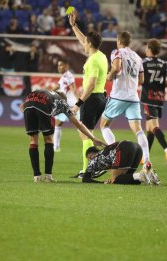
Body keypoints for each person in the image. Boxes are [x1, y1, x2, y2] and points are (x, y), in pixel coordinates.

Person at [20, 90, 106, 182]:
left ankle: (36, 176)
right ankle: (48, 177)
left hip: (28, 104)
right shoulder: (62, 102)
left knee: (33, 140)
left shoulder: (48, 94)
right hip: (43, 105)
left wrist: (33, 117)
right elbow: (78, 124)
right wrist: (93, 138)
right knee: (48, 140)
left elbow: (22, 106)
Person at [99, 31, 152, 171]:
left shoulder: (116, 52)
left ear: (118, 40)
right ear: (129, 42)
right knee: (138, 130)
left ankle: (114, 153)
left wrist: (109, 76)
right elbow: (142, 80)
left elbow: (116, 68)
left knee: (104, 125)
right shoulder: (138, 57)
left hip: (118, 95)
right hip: (133, 97)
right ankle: (146, 160)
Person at [68, 12, 108, 178]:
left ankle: (88, 170)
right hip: (100, 98)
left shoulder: (92, 61)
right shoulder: (101, 56)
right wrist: (73, 26)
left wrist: (78, 103)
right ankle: (90, 168)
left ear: (90, 44)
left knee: (85, 135)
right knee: (87, 135)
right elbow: (83, 39)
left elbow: (90, 85)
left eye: (86, 43)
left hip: (91, 99)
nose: (83, 44)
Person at [141, 38, 167, 166]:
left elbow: (140, 78)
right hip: (159, 97)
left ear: (150, 49)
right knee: (149, 129)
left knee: (153, 126)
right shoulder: (165, 63)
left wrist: (145, 83)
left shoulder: (143, 62)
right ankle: (145, 157)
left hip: (147, 97)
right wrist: (162, 85)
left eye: (146, 48)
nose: (145, 50)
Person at [82, 140, 160, 185]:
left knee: (115, 180)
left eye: (90, 157)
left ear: (94, 154)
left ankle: (142, 175)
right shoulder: (104, 152)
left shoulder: (95, 159)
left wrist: (103, 182)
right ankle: (150, 176)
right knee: (127, 178)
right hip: (137, 148)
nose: (90, 160)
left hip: (124, 148)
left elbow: (85, 179)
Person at [52, 58, 79, 152]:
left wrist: (79, 102)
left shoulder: (68, 76)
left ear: (66, 66)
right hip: (65, 103)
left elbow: (73, 89)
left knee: (79, 126)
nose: (59, 67)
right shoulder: (64, 76)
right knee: (58, 124)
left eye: (61, 65)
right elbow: (59, 86)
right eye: (58, 65)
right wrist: (49, 92)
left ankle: (88, 143)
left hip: (70, 104)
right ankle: (56, 147)